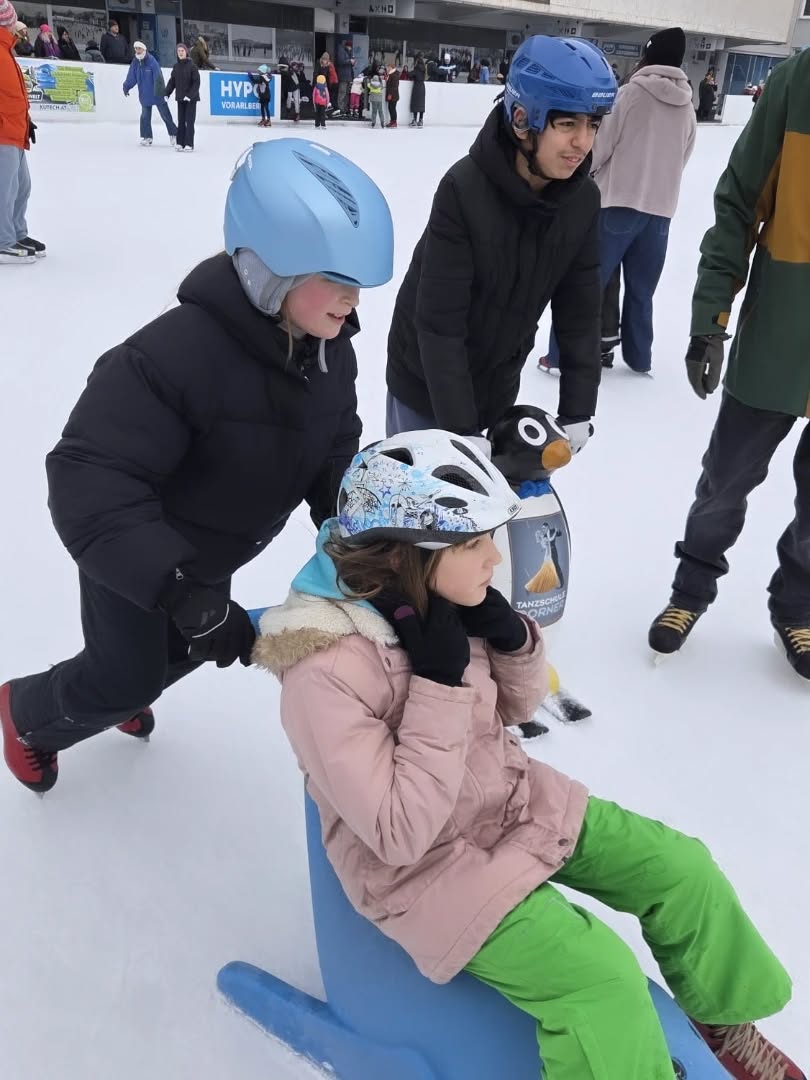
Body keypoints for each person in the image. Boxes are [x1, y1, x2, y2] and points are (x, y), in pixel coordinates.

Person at [253, 428, 804, 1080]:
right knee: (600, 979)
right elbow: (400, 834)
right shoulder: (324, 671)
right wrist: (438, 684)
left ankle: (719, 1022)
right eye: (475, 543)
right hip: (427, 873)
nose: (495, 557)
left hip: (513, 801)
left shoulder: (439, 603)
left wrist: (511, 637)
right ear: (408, 554)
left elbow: (515, 709)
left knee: (683, 872)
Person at [0, 139, 395, 795]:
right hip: (135, 555)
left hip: (211, 553)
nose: (353, 299)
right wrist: (180, 588)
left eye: (359, 283)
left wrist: (361, 532)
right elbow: (90, 477)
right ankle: (28, 714)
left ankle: (134, 678)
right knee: (125, 674)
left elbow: (333, 447)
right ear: (272, 267)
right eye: (336, 279)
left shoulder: (328, 351)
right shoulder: (171, 357)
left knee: (190, 647)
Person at [649, 47, 810, 681]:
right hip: (778, 336)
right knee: (725, 481)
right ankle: (690, 590)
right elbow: (739, 202)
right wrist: (710, 319)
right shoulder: (798, 84)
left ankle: (798, 605)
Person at [385, 35, 616, 455]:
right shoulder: (463, 191)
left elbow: (580, 312)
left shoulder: (582, 202)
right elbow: (439, 323)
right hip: (425, 382)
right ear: (523, 120)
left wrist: (578, 407)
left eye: (593, 124)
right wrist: (461, 428)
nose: (583, 142)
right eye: (568, 125)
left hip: (496, 385)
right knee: (422, 495)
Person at [546, 27, 695, 376]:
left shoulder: (629, 95)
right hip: (660, 213)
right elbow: (683, 157)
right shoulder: (688, 108)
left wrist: (580, 177)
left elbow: (600, 146)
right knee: (642, 292)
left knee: (586, 283)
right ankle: (640, 359)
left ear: (648, 56)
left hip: (617, 205)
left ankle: (559, 356)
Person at [0, 0, 45, 264]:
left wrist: (26, 122)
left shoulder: (7, 50)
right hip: (3, 131)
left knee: (21, 187)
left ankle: (16, 233)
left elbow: (12, 95)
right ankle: (3, 241)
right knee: (5, 189)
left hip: (16, 130)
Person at [123, 41, 178, 147]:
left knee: (165, 115)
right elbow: (131, 76)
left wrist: (160, 92)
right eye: (136, 48)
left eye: (139, 48)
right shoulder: (135, 62)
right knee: (145, 116)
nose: (137, 51)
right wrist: (126, 86)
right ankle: (147, 136)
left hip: (157, 93)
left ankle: (174, 134)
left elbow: (158, 77)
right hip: (144, 94)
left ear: (144, 49)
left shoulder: (151, 61)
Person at [165, 42, 199, 151]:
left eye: (182, 51)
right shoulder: (176, 67)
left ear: (186, 52)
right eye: (178, 51)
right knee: (181, 120)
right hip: (180, 98)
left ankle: (189, 144)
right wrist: (167, 93)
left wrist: (190, 95)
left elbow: (196, 83)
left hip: (191, 99)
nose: (180, 53)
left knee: (189, 121)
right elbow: (172, 82)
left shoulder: (192, 66)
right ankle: (180, 142)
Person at [335, 38, 354, 115]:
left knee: (346, 93)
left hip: (348, 76)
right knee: (342, 92)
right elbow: (341, 61)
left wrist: (352, 62)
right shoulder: (341, 51)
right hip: (343, 76)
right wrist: (349, 61)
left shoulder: (348, 52)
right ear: (347, 46)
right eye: (350, 46)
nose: (350, 48)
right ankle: (340, 108)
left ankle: (345, 108)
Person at [409, 51, 426, 127]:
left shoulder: (417, 68)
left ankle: (414, 120)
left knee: (415, 104)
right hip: (422, 86)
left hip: (417, 87)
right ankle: (421, 120)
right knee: (421, 104)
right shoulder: (424, 68)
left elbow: (410, 74)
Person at [385, 64, 400, 128]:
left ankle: (394, 122)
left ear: (391, 68)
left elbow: (394, 86)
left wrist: (390, 94)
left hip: (393, 95)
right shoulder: (391, 74)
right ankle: (392, 121)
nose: (387, 68)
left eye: (388, 67)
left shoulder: (394, 75)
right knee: (390, 108)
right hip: (392, 94)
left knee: (392, 108)